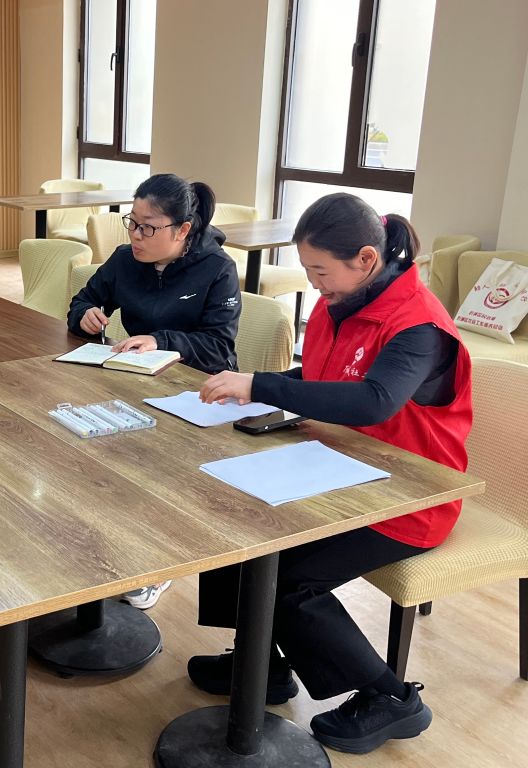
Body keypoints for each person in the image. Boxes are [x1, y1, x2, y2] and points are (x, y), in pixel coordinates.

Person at [191, 192, 472, 754]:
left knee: (290, 581)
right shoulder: (337, 302)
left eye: (321, 271)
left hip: (411, 496)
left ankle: (392, 698)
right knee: (235, 524)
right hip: (339, 469)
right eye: (308, 270)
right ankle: (263, 665)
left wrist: (262, 385)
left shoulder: (419, 326)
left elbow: (373, 401)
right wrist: (255, 387)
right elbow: (325, 374)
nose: (313, 284)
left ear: (366, 259)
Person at [68, 172, 241, 610]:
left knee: (152, 474)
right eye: (132, 222)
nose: (135, 236)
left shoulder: (217, 269)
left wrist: (161, 340)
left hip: (199, 397)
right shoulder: (125, 260)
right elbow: (83, 299)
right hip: (134, 386)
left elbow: (219, 349)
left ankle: (156, 564)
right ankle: (101, 550)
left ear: (182, 230)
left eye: (148, 228)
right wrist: (85, 314)